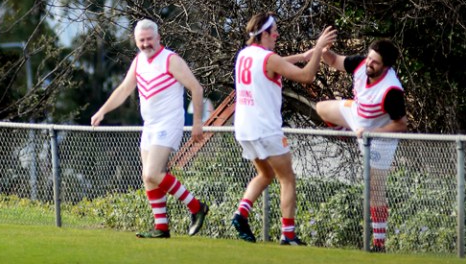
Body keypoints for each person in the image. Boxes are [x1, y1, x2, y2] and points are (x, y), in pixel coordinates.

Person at [91, 19, 209, 239]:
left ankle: (196, 207)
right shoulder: (138, 61)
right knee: (148, 178)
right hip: (150, 125)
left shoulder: (171, 60)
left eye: (149, 39)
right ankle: (161, 227)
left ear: (158, 38)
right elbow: (124, 89)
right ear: (136, 41)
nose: (146, 44)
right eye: (141, 40)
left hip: (169, 123)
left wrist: (197, 123)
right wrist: (102, 111)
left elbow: (196, 88)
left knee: (152, 173)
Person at [231, 13, 337, 245]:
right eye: (274, 31)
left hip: (244, 129)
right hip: (266, 129)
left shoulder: (244, 54)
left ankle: (241, 214)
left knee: (266, 174)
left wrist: (303, 55)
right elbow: (307, 76)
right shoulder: (269, 58)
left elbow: (272, 63)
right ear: (264, 34)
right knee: (287, 178)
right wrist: (318, 48)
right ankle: (288, 234)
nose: (277, 35)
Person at [316, 39, 408, 252]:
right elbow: (334, 61)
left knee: (375, 189)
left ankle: (379, 243)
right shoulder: (360, 64)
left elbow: (401, 124)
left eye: (375, 62)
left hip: (379, 137)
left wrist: (370, 134)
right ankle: (348, 134)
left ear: (386, 66)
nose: (369, 63)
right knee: (321, 108)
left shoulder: (391, 90)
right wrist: (324, 51)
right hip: (358, 117)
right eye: (369, 58)